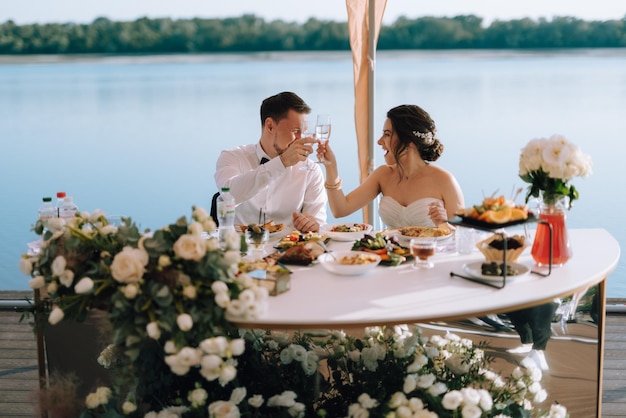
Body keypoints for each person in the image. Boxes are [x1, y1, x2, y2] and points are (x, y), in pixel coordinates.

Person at [318, 104, 464, 228]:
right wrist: (331, 167)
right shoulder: (383, 175)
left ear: (409, 142)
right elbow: (340, 210)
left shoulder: (444, 180)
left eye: (387, 135)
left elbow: (464, 236)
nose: (380, 142)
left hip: (430, 258)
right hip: (391, 258)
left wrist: (443, 224)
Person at [214, 91, 326, 232]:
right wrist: (282, 162)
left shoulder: (311, 171)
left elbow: (319, 225)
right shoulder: (232, 158)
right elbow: (229, 195)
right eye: (295, 130)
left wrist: (313, 225)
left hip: (288, 251)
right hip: (240, 250)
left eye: (303, 131)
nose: (300, 138)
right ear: (270, 126)